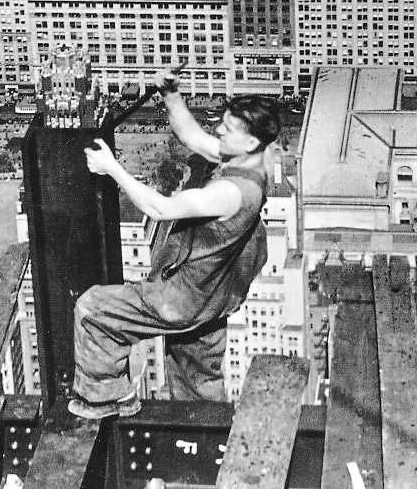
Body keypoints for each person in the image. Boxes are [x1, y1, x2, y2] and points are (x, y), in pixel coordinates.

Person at [68, 75, 281, 419]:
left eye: (229, 128)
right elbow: (192, 136)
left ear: (252, 140)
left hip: (183, 298)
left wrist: (112, 169)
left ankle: (106, 397)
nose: (220, 132)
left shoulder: (231, 193)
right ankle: (204, 432)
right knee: (195, 376)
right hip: (213, 299)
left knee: (95, 311)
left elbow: (161, 209)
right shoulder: (250, 161)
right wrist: (172, 94)